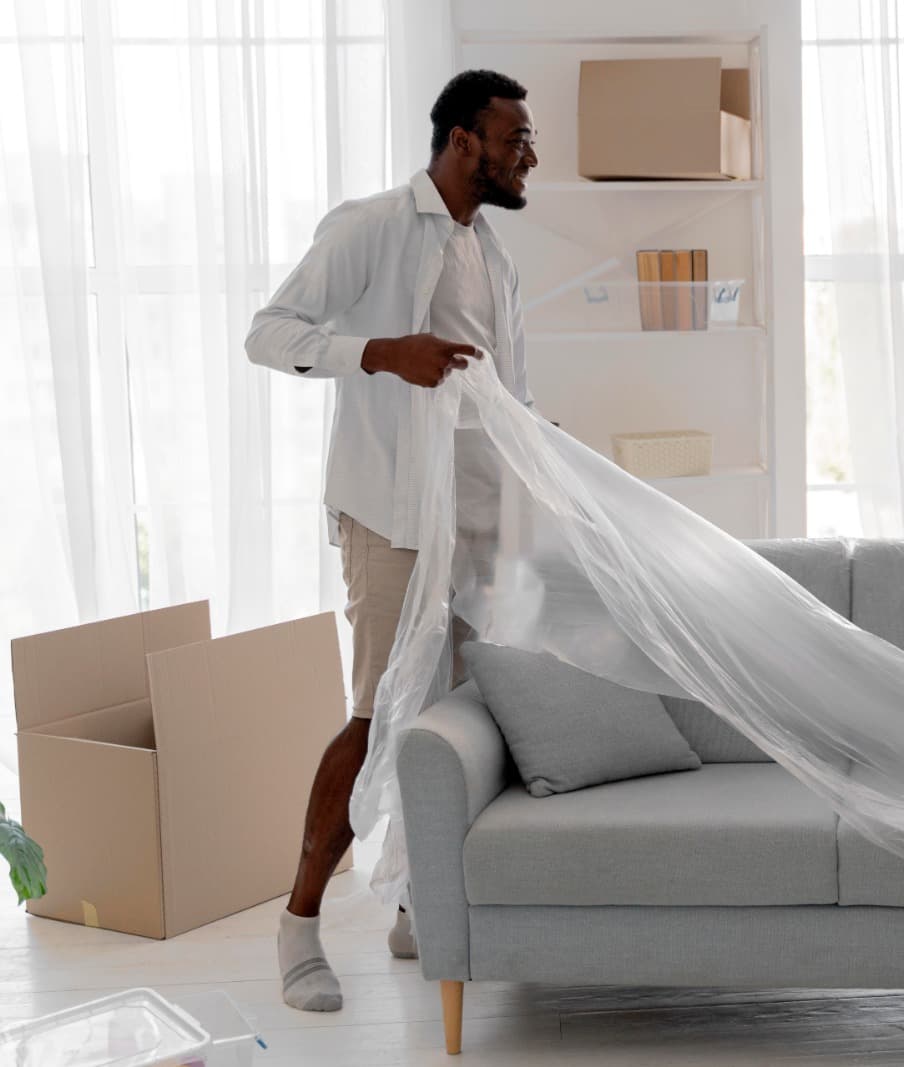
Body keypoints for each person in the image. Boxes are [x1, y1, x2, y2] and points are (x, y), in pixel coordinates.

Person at [243, 69, 537, 1012]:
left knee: (458, 724)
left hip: (480, 527)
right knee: (378, 719)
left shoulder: (494, 258)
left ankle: (418, 904)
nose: (529, 156)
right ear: (462, 141)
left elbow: (509, 402)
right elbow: (268, 333)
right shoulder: (370, 226)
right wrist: (380, 352)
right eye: (515, 139)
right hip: (392, 519)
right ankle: (298, 927)